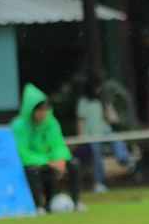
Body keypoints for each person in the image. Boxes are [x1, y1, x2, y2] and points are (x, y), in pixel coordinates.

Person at [11, 83, 87, 214]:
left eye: (46, 109)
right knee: (32, 169)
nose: (43, 113)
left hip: (52, 161)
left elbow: (58, 144)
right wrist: (48, 162)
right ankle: (38, 206)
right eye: (39, 109)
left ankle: (76, 202)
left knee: (74, 164)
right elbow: (22, 152)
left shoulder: (51, 122)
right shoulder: (18, 126)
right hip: (34, 163)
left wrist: (60, 160)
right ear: (31, 110)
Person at [75, 77, 134, 193]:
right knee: (96, 156)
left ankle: (126, 160)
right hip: (91, 134)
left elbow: (114, 120)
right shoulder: (84, 101)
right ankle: (97, 182)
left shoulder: (103, 101)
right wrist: (80, 136)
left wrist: (109, 112)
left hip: (104, 130)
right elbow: (80, 119)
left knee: (117, 141)